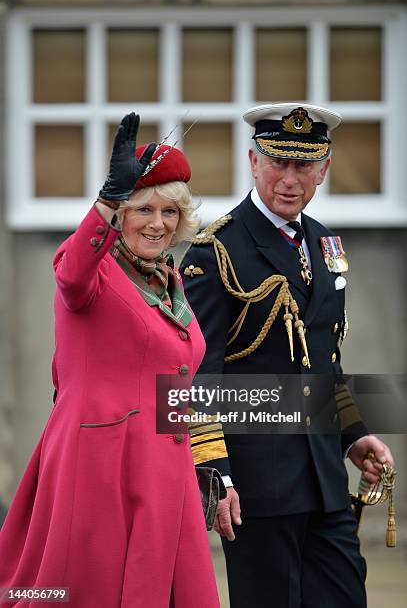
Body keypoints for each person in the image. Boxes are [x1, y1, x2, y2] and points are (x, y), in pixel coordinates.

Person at [0, 113, 220, 608]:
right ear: (120, 214)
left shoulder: (170, 279)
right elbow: (73, 276)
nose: (157, 223)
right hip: (101, 468)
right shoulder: (90, 269)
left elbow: (180, 382)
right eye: (143, 209)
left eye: (169, 211)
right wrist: (105, 201)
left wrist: (210, 465)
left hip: (166, 470)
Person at [180, 103, 394, 608]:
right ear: (253, 163)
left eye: (304, 166)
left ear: (324, 168)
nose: (290, 179)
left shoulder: (324, 244)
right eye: (278, 162)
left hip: (325, 481)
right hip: (257, 488)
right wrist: (216, 476)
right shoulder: (216, 252)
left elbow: (324, 362)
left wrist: (354, 435)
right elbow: (197, 380)